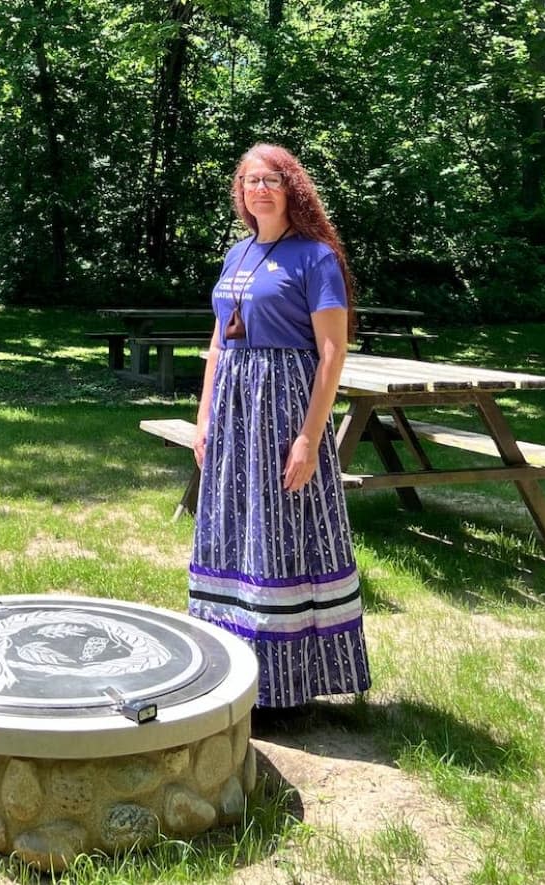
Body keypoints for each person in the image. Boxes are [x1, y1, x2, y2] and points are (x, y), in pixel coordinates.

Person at [188, 143, 371, 712]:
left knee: (281, 531)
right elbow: (219, 341)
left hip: (283, 406)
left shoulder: (315, 257)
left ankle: (285, 685)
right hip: (234, 410)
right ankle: (231, 674)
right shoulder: (236, 254)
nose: (259, 188)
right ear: (239, 193)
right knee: (232, 529)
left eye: (272, 178)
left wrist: (310, 438)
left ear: (292, 188)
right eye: (249, 180)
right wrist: (204, 417)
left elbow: (333, 351)